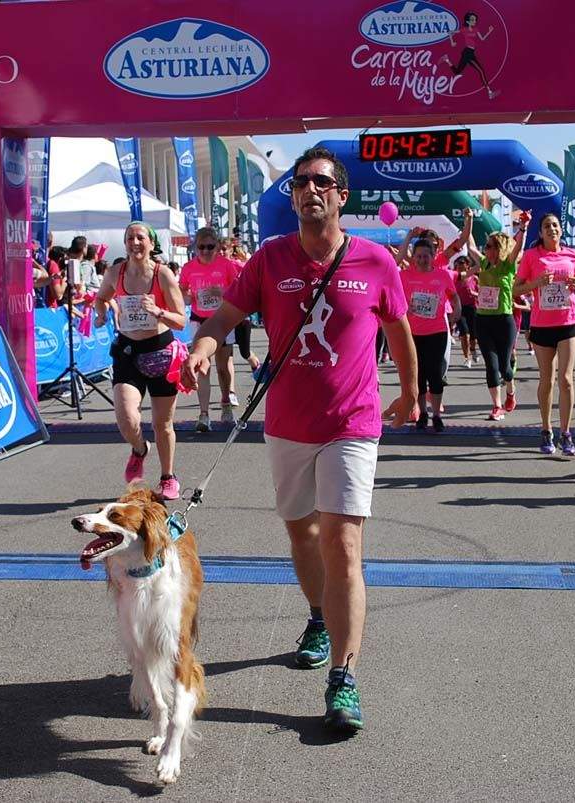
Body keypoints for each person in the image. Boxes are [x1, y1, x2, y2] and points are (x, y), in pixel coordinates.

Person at [182, 147, 418, 734]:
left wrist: (411, 393)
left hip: (353, 423)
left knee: (342, 545)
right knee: (302, 534)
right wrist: (203, 347)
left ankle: (343, 678)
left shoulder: (375, 260)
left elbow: (400, 330)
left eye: (321, 182)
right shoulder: (269, 259)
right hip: (287, 425)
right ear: (292, 197)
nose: (309, 189)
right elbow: (224, 317)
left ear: (342, 196)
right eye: (300, 182)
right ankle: (318, 617)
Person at [93, 221, 187, 501]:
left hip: (161, 352)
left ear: (151, 243)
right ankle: (139, 449)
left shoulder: (163, 274)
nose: (135, 243)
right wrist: (101, 313)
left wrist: (157, 311)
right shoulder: (115, 272)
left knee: (163, 424)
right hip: (127, 352)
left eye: (140, 238)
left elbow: (181, 320)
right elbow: (101, 298)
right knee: (126, 416)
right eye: (130, 238)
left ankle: (168, 477)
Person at [514, 212, 575, 456]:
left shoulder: (572, 254)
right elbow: (516, 288)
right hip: (543, 324)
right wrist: (536, 284)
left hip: (569, 320)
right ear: (541, 233)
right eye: (546, 226)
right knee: (548, 379)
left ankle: (566, 433)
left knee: (566, 378)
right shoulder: (532, 256)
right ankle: (546, 429)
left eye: (555, 225)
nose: (552, 229)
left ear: (560, 230)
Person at [467, 213, 528, 420]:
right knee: (491, 365)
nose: (487, 249)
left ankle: (511, 392)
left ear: (500, 248)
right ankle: (497, 406)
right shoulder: (483, 263)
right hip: (483, 320)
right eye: (487, 246)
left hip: (504, 320)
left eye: (492, 246)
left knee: (505, 365)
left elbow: (518, 247)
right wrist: (469, 221)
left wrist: (523, 228)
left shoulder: (508, 265)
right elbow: (471, 247)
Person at [179, 227, 240, 432]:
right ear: (195, 248)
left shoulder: (226, 265)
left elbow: (238, 290)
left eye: (210, 247)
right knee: (201, 366)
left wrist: (221, 291)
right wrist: (188, 297)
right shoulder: (188, 268)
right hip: (199, 319)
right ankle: (204, 415)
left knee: (223, 367)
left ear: (217, 246)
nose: (205, 251)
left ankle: (226, 405)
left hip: (222, 319)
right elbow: (183, 290)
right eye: (201, 247)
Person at [402, 234, 460, 432]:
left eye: (426, 256)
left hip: (437, 332)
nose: (421, 260)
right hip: (413, 334)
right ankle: (422, 413)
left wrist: (457, 310)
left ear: (433, 256)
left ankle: (436, 415)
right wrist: (405, 309)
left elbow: (453, 297)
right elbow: (397, 300)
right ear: (413, 257)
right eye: (418, 256)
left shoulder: (442, 275)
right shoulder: (405, 276)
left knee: (435, 375)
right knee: (418, 376)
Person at [453, 253, 479, 368]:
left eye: (461, 263)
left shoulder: (474, 278)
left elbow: (482, 293)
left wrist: (475, 294)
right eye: (457, 263)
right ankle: (466, 358)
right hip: (459, 308)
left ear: (468, 265)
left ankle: (473, 349)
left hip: (472, 307)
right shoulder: (454, 278)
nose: (459, 265)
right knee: (465, 334)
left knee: (473, 335)